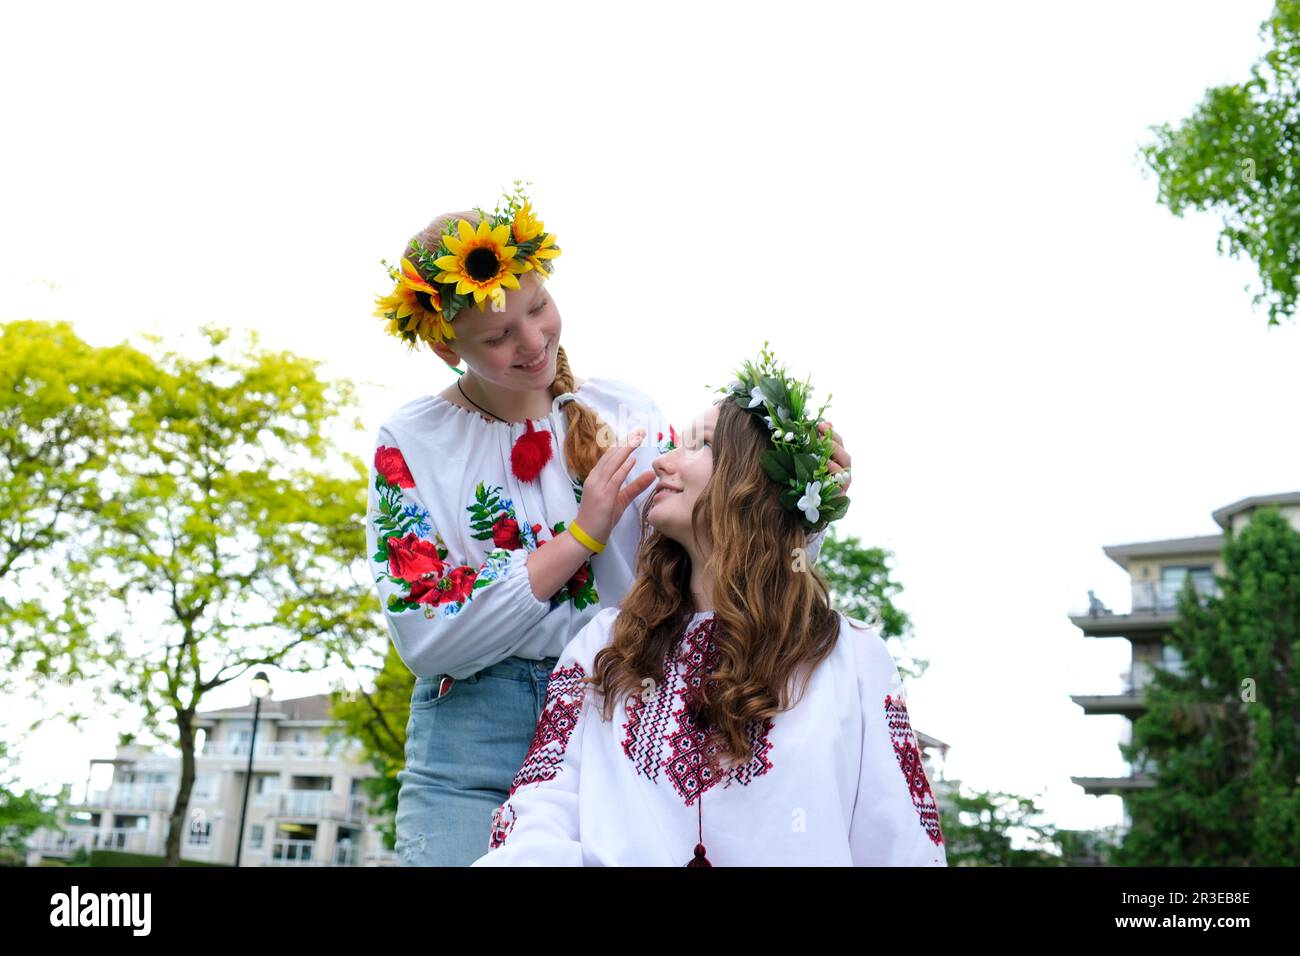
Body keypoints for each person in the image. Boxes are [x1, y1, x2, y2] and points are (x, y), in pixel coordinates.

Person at [366, 187, 853, 865]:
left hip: (616, 706)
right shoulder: (411, 441)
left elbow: (715, 540)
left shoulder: (628, 413)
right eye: (499, 337)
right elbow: (426, 636)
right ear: (449, 349)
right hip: (471, 741)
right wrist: (583, 538)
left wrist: (802, 498)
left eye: (537, 308)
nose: (533, 341)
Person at [471, 344, 946, 866]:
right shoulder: (605, 647)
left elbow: (898, 840)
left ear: (754, 483)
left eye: (698, 447)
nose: (662, 460)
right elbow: (543, 808)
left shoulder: (846, 655)